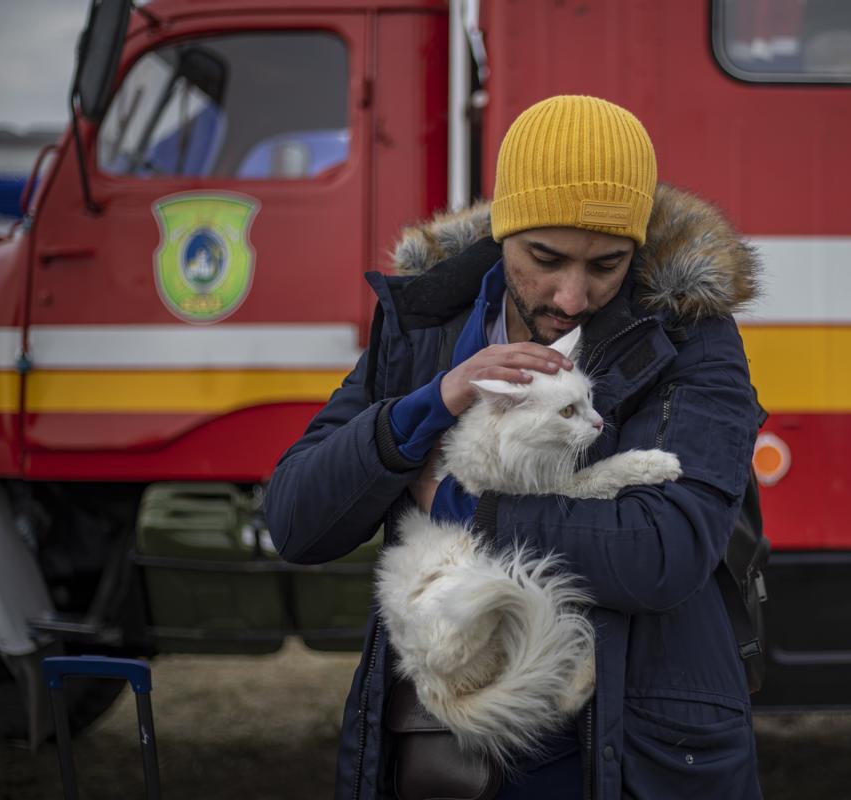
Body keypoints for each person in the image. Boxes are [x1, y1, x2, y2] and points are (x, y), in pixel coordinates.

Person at [265, 95, 762, 799]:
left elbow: (667, 549)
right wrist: (428, 405)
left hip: (636, 757)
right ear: (503, 231)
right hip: (446, 758)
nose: (571, 295)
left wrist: (465, 507)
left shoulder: (690, 336)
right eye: (545, 258)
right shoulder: (424, 323)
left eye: (606, 264)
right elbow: (295, 521)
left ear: (638, 249)